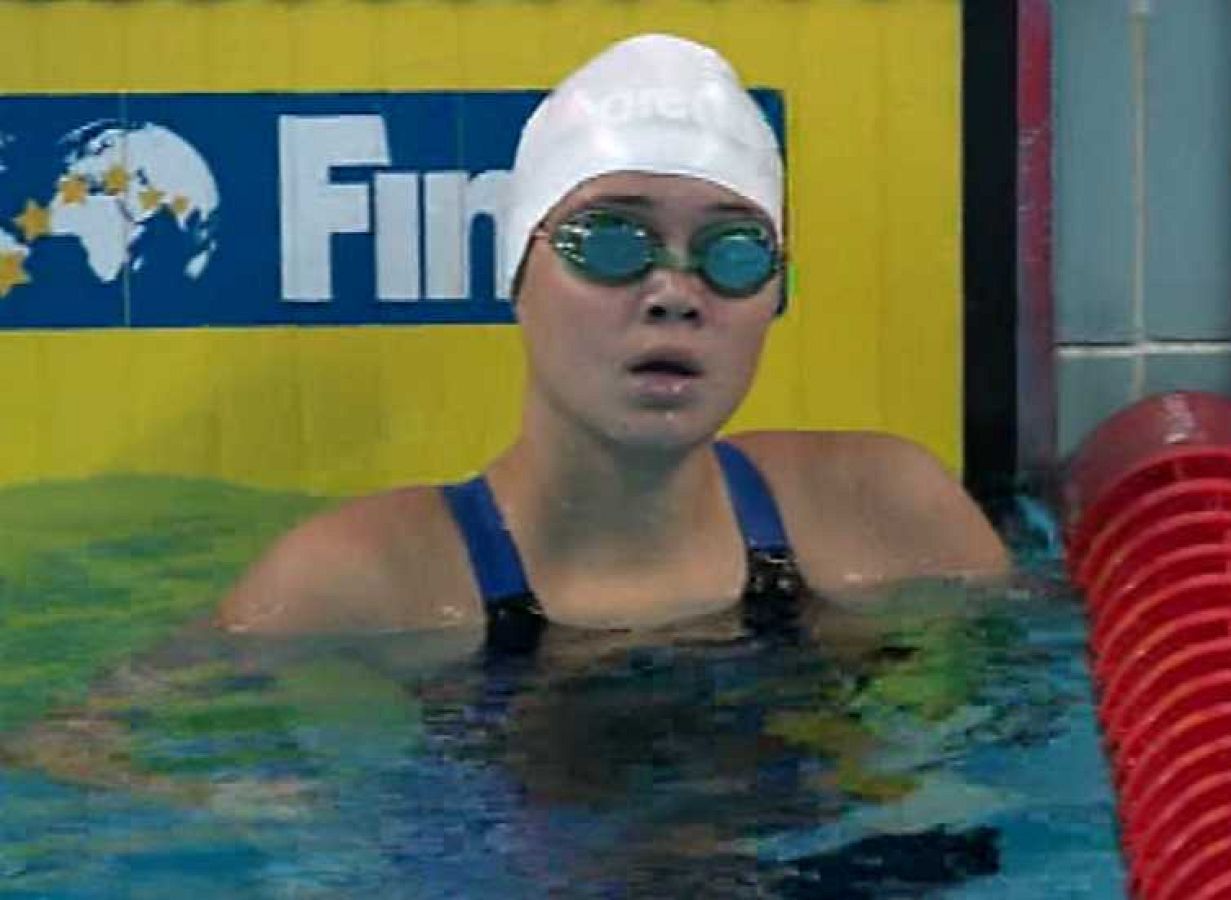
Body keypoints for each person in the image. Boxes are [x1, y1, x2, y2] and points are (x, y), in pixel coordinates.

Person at [217, 33, 1009, 654]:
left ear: (774, 295)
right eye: (610, 242)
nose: (674, 293)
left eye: (733, 252)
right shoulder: (354, 589)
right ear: (516, 276)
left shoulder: (890, 519)